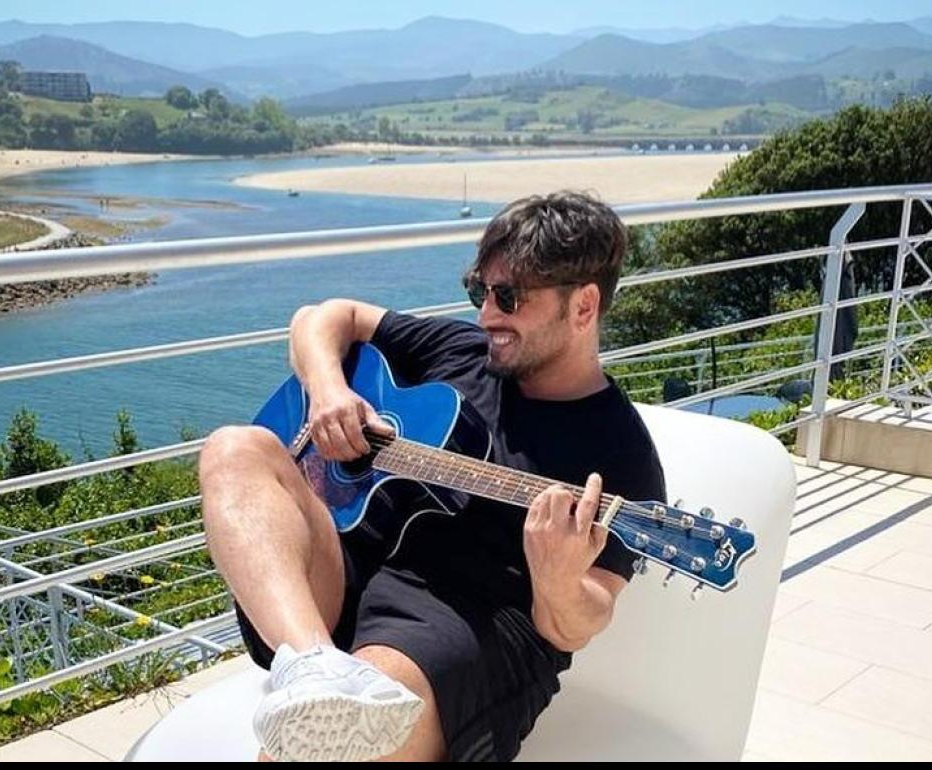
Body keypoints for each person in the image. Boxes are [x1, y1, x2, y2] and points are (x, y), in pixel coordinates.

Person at [200, 190, 667, 762]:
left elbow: (575, 626)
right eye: (480, 291)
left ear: (583, 307)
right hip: (355, 572)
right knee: (234, 449)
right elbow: (322, 317)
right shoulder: (463, 351)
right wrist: (328, 392)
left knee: (316, 748)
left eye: (509, 297)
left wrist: (558, 578)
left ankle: (325, 685)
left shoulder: (619, 453)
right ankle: (315, 663)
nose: (486, 314)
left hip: (469, 621)